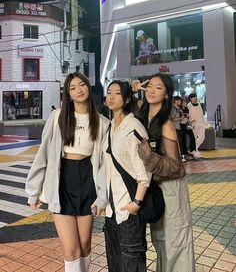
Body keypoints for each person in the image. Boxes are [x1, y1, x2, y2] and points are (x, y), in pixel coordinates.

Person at [25, 72, 109, 272]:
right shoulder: (57, 117)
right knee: (71, 249)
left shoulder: (102, 122)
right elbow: (43, 155)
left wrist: (102, 197)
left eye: (82, 85)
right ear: (68, 94)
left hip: (88, 181)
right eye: (73, 88)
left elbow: (106, 164)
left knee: (85, 245)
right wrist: (33, 191)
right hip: (62, 182)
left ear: (89, 87)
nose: (79, 90)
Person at [132, 74, 195, 272]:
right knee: (160, 241)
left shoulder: (165, 124)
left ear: (167, 95)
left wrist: (149, 157)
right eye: (149, 86)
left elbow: (175, 166)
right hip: (155, 189)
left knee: (176, 242)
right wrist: (132, 90)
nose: (151, 90)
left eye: (158, 88)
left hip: (172, 189)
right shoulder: (143, 117)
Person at [92, 80, 152, 272]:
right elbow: (108, 170)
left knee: (131, 265)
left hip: (128, 211)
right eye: (109, 92)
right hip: (112, 212)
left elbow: (145, 169)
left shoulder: (133, 126)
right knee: (115, 265)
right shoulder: (110, 127)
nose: (111, 97)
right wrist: (102, 201)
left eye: (117, 93)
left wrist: (136, 203)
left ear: (126, 99)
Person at [187, 93, 205, 157]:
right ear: (190, 98)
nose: (195, 98)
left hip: (201, 123)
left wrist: (204, 122)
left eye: (195, 97)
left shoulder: (199, 103)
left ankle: (194, 148)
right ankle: (194, 150)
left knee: (202, 137)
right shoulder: (189, 105)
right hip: (194, 124)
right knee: (194, 138)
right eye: (193, 97)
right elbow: (187, 114)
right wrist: (190, 121)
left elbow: (201, 113)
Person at [171, 96, 187, 161]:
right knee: (178, 142)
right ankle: (180, 156)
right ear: (176, 101)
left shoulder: (178, 109)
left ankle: (181, 156)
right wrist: (181, 118)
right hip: (175, 128)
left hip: (179, 127)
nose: (181, 102)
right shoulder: (173, 109)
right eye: (179, 101)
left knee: (181, 141)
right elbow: (172, 119)